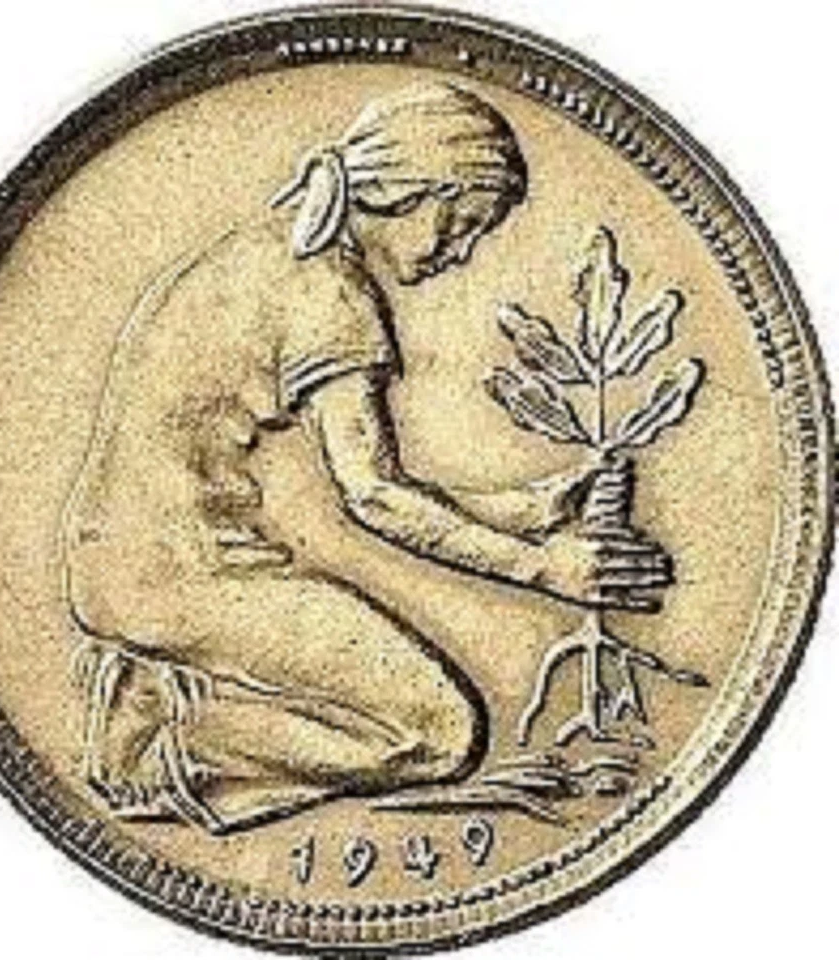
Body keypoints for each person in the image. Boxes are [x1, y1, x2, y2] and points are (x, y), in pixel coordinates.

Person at [60, 83, 671, 833]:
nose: (462, 252)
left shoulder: (267, 250)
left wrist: (527, 509)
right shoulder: (329, 293)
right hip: (178, 579)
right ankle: (158, 737)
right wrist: (544, 569)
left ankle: (163, 700)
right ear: (417, 192)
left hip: (126, 562)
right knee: (438, 736)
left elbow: (374, 482)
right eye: (464, 223)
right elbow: (373, 496)